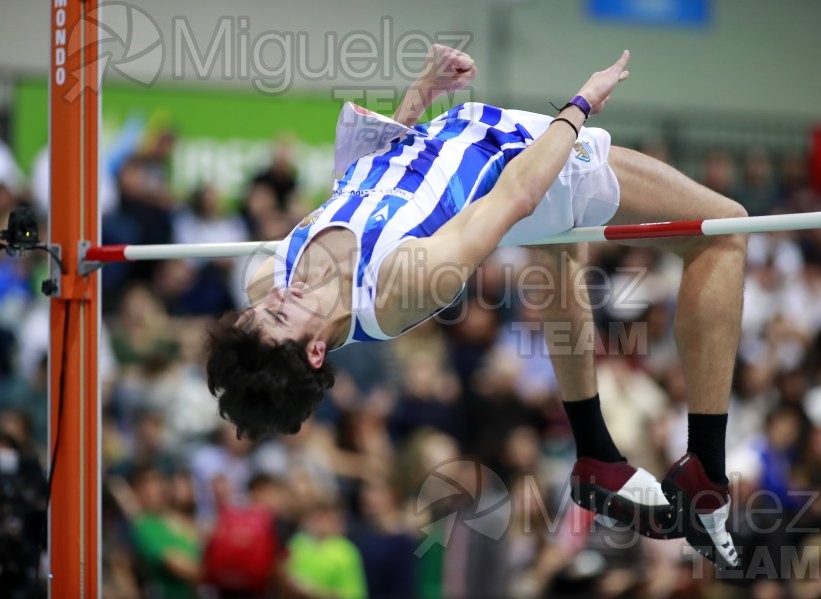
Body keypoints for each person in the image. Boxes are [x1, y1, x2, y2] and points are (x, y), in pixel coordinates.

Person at [207, 45, 748, 568]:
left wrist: (422, 90)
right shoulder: (403, 284)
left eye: (263, 311)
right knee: (723, 231)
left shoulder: (265, 277)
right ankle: (706, 471)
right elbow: (518, 196)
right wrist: (580, 105)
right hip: (518, 158)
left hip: (454, 132)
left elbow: (361, 179)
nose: (276, 299)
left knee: (559, 253)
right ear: (318, 350)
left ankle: (597, 457)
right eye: (280, 316)